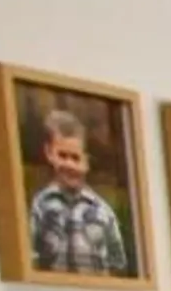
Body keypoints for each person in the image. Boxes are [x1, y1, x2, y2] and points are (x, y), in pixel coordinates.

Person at [26, 103, 130, 279]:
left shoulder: (103, 211)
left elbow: (117, 265)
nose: (69, 165)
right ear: (49, 153)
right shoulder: (40, 206)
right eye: (62, 156)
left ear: (87, 162)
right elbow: (31, 258)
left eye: (75, 158)